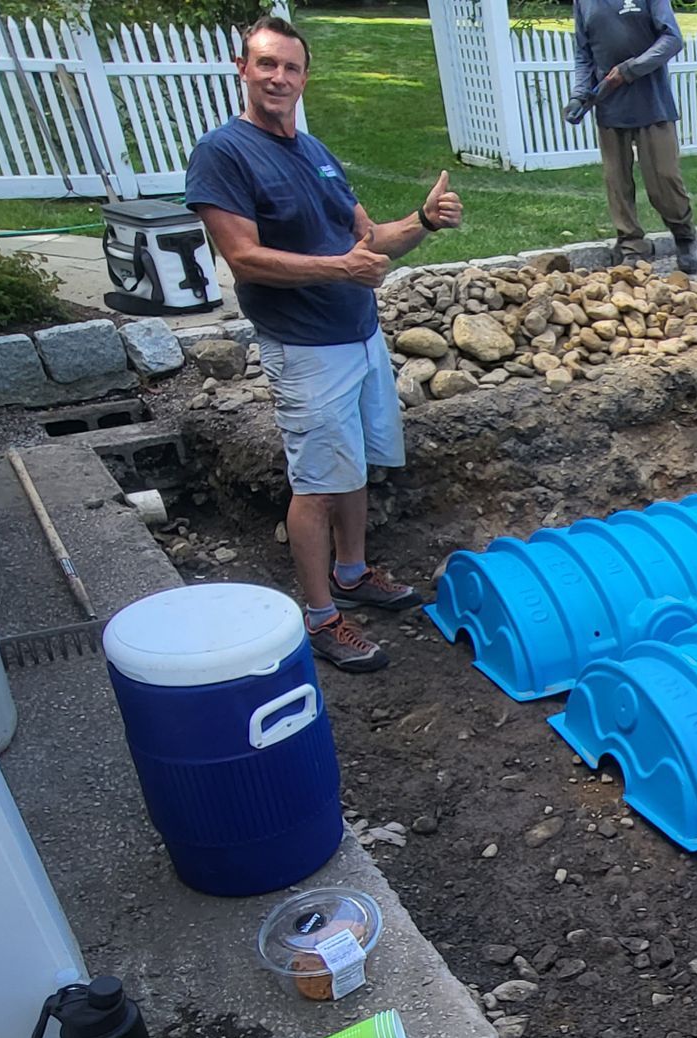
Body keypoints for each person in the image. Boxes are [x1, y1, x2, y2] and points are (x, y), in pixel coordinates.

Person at [187, 16, 463, 674]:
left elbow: (368, 242)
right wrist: (341, 269)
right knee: (315, 484)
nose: (278, 77)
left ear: (305, 77)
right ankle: (320, 617)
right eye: (266, 64)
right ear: (242, 69)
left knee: (354, 466)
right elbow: (244, 258)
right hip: (306, 347)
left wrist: (423, 222)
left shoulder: (313, 152)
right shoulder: (224, 153)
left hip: (359, 334)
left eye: (290, 67)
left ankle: (353, 570)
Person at [563, 0, 697, 275]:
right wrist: (579, 94)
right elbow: (584, 54)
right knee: (617, 180)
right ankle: (631, 245)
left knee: (664, 177)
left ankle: (683, 236)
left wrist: (629, 70)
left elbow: (672, 39)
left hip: (653, 103)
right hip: (610, 106)